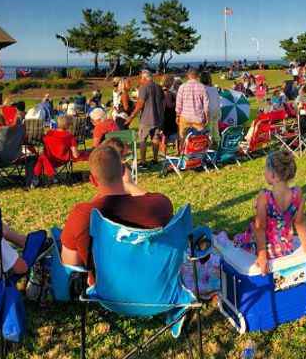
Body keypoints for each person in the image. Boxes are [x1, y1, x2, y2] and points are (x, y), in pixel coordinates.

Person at [60, 146, 173, 283]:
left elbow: (70, 263)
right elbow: (150, 197)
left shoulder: (82, 215)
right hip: (153, 286)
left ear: (93, 180)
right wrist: (129, 184)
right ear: (123, 171)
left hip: (108, 293)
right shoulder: (160, 205)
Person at [231, 151, 306, 274]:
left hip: (266, 250)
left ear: (273, 175)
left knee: (238, 240)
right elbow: (299, 222)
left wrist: (262, 255)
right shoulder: (297, 193)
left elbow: (260, 228)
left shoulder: (265, 197)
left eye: (266, 169)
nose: (264, 172)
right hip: (284, 249)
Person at [125, 70, 164, 165]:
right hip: (158, 118)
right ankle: (155, 159)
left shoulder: (144, 88)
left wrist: (131, 117)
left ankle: (143, 161)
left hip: (146, 118)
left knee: (143, 140)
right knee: (155, 139)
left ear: (144, 78)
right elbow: (162, 101)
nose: (139, 80)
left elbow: (140, 105)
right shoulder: (159, 87)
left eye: (140, 78)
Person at [175, 69, 209, 144]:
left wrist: (177, 116)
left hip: (185, 117)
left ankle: (183, 153)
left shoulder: (182, 87)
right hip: (198, 117)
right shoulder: (202, 87)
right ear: (197, 76)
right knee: (198, 139)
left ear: (188, 76)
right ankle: (197, 154)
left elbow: (178, 104)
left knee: (183, 138)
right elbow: (206, 105)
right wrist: (206, 117)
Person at [200, 72, 221, 145]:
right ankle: (217, 141)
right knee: (215, 127)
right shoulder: (214, 88)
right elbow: (218, 99)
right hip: (216, 109)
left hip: (209, 110)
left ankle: (210, 143)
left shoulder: (203, 89)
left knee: (209, 128)